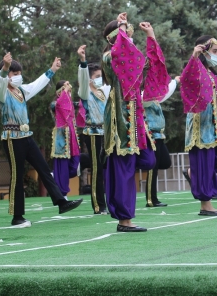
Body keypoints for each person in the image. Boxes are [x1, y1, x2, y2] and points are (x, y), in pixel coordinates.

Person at [0, 52, 82, 227]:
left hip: (26, 136)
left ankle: (61, 202)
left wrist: (52, 70)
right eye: (14, 73)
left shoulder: (21, 91)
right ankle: (17, 216)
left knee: (43, 168)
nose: (18, 76)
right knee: (17, 176)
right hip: (12, 138)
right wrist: (5, 67)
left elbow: (36, 84)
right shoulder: (1, 92)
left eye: (19, 73)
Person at [102, 13, 169, 232]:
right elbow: (121, 54)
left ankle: (121, 208)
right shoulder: (109, 57)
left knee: (149, 159)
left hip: (136, 118)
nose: (130, 38)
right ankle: (125, 219)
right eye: (126, 35)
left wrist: (151, 36)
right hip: (120, 119)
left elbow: (154, 66)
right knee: (124, 168)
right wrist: (121, 26)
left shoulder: (133, 60)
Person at [181, 35, 217, 217]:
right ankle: (206, 205)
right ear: (204, 51)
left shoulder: (211, 73)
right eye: (214, 51)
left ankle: (194, 173)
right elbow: (185, 80)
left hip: (214, 128)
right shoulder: (195, 68)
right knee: (204, 163)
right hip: (200, 128)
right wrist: (194, 57)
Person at [77, 47, 110, 215]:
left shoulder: (103, 91)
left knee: (106, 167)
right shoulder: (85, 92)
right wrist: (83, 61)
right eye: (97, 77)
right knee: (96, 168)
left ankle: (110, 201)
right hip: (92, 133)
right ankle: (99, 205)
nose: (100, 80)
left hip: (105, 133)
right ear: (89, 79)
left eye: (100, 77)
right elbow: (82, 80)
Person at [143, 76, 180, 207]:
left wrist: (175, 81)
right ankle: (151, 199)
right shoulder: (143, 97)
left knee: (164, 162)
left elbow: (166, 92)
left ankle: (152, 198)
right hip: (151, 135)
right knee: (153, 166)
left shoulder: (155, 98)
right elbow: (148, 99)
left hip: (159, 135)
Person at [49, 80, 81, 198]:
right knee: (63, 165)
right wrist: (65, 92)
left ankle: (57, 176)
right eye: (65, 89)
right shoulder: (55, 103)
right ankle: (62, 193)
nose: (68, 91)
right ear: (59, 93)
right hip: (62, 137)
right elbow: (58, 105)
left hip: (72, 136)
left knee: (74, 166)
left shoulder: (69, 102)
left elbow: (81, 104)